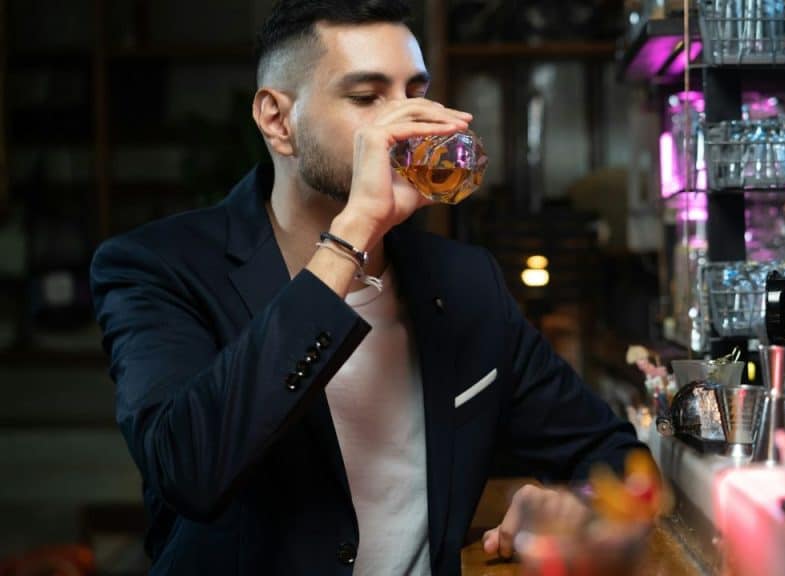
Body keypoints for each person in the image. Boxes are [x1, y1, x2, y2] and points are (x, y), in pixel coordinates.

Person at [89, 1, 645, 574]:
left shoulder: (464, 282)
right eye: (365, 97)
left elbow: (615, 459)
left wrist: (569, 506)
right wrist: (351, 235)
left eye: (414, 92)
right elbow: (189, 469)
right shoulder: (156, 266)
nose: (402, 121)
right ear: (277, 121)